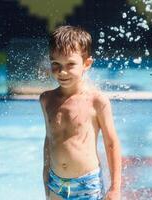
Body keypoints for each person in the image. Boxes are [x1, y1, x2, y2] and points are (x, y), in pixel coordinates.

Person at [40, 25, 122, 200]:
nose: (62, 72)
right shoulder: (46, 100)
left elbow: (111, 143)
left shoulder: (96, 101)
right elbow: (49, 139)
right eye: (56, 64)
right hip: (56, 182)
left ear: (86, 64)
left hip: (87, 184)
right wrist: (45, 174)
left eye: (70, 64)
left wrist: (115, 188)